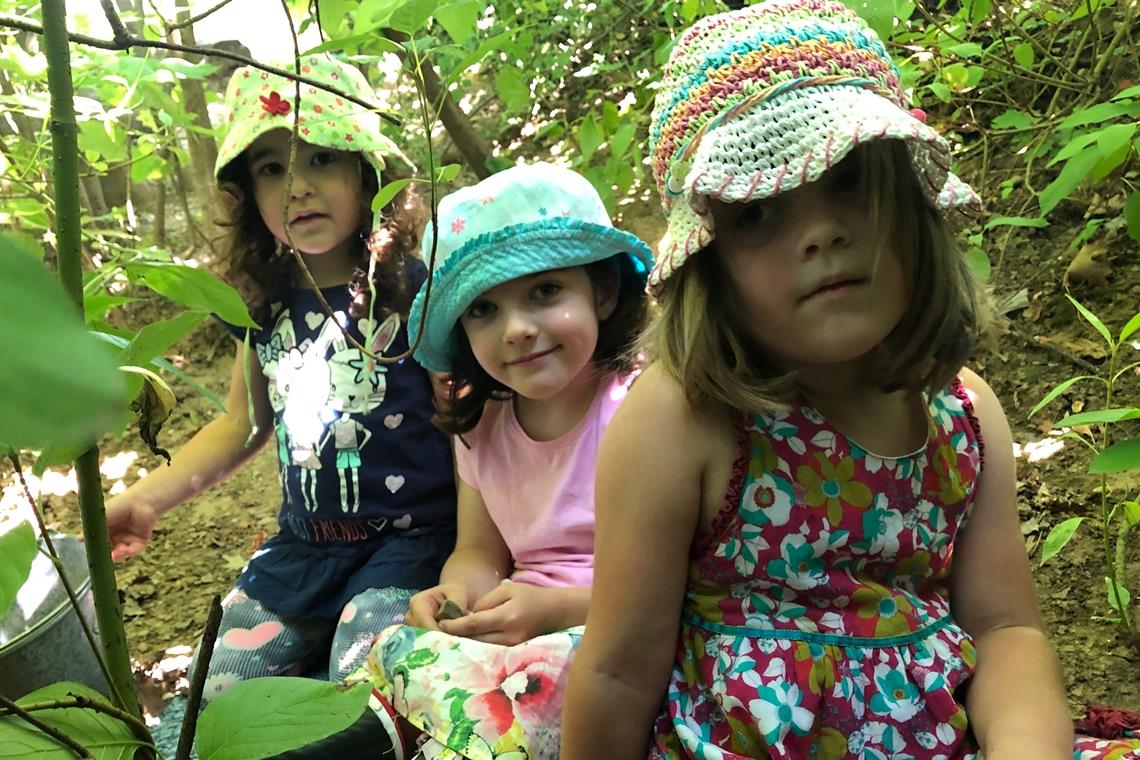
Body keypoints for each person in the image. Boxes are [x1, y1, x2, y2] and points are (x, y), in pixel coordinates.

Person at [560, 3, 1140, 760]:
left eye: (850, 180)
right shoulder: (684, 419)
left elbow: (1006, 629)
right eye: (759, 213)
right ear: (712, 266)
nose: (821, 232)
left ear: (908, 198)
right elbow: (616, 673)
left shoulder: (962, 413)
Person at [103, 55, 457, 701]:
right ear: (249, 196)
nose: (296, 186)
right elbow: (243, 424)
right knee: (215, 692)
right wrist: (146, 498)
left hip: (411, 547)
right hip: (302, 555)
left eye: (321, 157)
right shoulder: (261, 305)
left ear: (369, 171)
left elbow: (469, 422)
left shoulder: (414, 288)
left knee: (366, 680)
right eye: (272, 168)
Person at [359, 162, 653, 759]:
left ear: (602, 290)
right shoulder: (480, 423)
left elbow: (688, 577)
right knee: (389, 648)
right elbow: (479, 550)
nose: (517, 329)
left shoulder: (643, 407)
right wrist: (456, 600)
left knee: (523, 685)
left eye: (544, 291)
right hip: (516, 625)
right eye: (484, 310)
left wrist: (557, 610)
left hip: (617, 632)